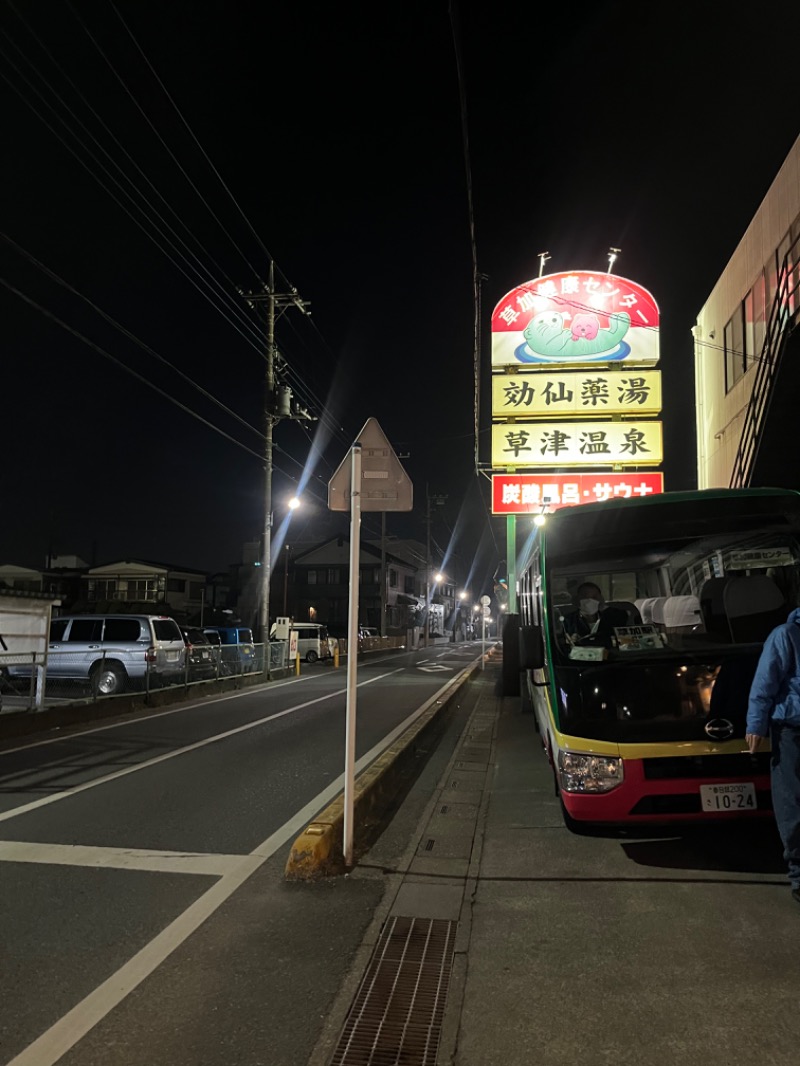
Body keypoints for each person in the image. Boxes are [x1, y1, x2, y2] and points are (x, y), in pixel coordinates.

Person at [746, 609, 800, 905]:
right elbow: (764, 684)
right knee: (792, 801)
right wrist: (756, 724)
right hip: (792, 730)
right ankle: (799, 873)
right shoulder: (786, 635)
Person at [561, 582, 629, 649]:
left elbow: (626, 642)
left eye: (594, 597)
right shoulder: (567, 621)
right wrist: (570, 640)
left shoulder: (615, 617)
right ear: (577, 600)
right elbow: (561, 644)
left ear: (600, 599)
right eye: (585, 597)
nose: (590, 601)